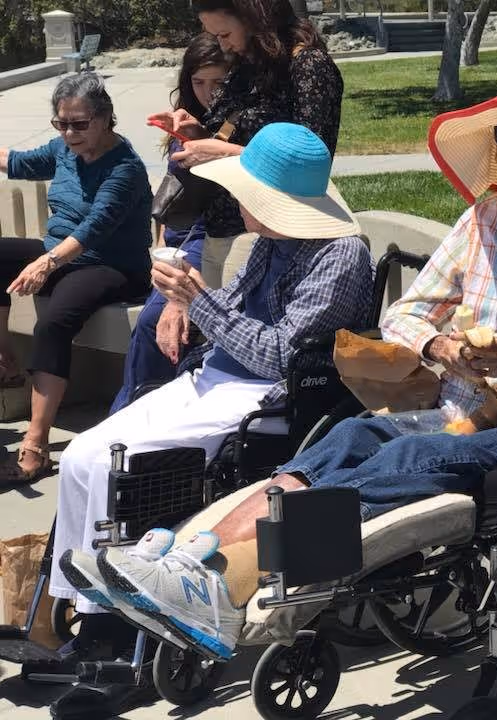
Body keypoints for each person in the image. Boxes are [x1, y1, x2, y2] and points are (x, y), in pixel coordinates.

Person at [75, 69, 497, 663]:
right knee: (349, 435)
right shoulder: (481, 222)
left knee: (408, 455)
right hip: (466, 410)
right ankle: (193, 555)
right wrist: (437, 347)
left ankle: (224, 580)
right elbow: (407, 314)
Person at [44, 123, 372, 712]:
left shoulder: (339, 255)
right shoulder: (271, 238)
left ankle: (115, 635)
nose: (237, 202)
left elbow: (281, 355)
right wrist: (183, 303)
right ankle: (85, 610)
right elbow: (235, 313)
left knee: (114, 467)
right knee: (81, 455)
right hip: (217, 377)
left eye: (247, 193)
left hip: (269, 395)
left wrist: (198, 301)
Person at [0, 73, 151, 486]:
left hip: (112, 266)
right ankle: (6, 360)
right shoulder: (64, 149)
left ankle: (36, 441)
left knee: (53, 322)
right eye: (61, 124)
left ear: (105, 119)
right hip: (61, 256)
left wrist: (44, 264)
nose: (69, 133)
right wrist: (46, 260)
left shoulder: (125, 168)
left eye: (79, 124)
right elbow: (20, 162)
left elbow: (93, 230)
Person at [147, 0, 344, 290]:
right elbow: (238, 138)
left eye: (224, 35)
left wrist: (220, 151)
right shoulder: (249, 65)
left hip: (268, 238)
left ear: (254, 19)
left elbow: (309, 166)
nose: (222, 45)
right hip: (220, 229)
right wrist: (199, 133)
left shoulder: (308, 67)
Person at [110, 34, 229, 414]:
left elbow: (212, 213)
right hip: (173, 246)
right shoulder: (185, 123)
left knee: (152, 323)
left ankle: (127, 417)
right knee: (152, 323)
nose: (208, 93)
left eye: (218, 82)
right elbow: (172, 196)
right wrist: (161, 252)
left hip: (206, 244)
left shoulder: (230, 131)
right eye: (199, 82)